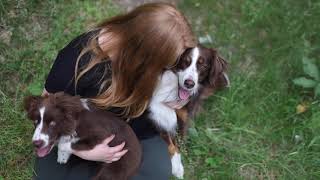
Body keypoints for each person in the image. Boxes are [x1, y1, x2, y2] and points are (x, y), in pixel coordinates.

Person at [36, 3, 196, 180]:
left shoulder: (148, 64)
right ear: (142, 53)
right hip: (78, 134)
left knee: (158, 170)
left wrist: (178, 97)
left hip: (130, 130)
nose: (168, 69)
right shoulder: (77, 60)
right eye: (165, 64)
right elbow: (46, 111)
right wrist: (83, 151)